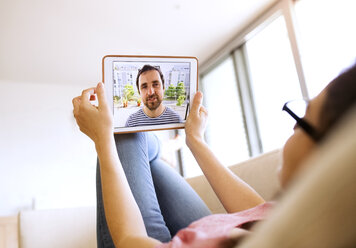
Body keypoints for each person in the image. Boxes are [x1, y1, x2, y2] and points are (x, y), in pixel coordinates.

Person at [72, 63, 356, 248]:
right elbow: (256, 210)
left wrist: (103, 140)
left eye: (302, 116)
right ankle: (165, 150)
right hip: (219, 230)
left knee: (128, 135)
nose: (293, 125)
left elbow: (128, 240)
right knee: (146, 141)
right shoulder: (291, 222)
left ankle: (158, 149)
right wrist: (196, 140)